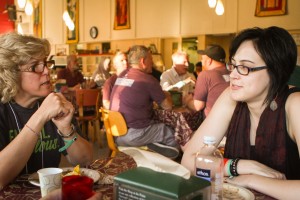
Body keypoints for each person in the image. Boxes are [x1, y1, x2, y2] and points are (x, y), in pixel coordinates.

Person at [181, 26, 300, 199]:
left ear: (275, 70)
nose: (233, 75)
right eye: (234, 65)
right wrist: (240, 166)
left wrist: (251, 180)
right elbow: (189, 161)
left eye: (245, 67)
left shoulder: (295, 104)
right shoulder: (231, 97)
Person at [0, 33, 93, 189]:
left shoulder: (53, 103)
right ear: (11, 74)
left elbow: (85, 160)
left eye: (46, 63)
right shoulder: (3, 110)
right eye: (35, 66)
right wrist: (40, 116)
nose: (46, 71)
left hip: (50, 193)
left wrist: (66, 129)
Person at [110, 45, 179, 159]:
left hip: (117, 134)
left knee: (154, 129)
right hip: (135, 135)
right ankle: (165, 164)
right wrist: (166, 94)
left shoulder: (122, 75)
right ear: (143, 61)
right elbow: (168, 107)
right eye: (151, 59)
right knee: (172, 134)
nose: (153, 62)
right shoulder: (147, 80)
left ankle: (150, 147)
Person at [183, 44, 230, 118]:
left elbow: (198, 106)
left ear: (209, 61)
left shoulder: (205, 74)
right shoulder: (232, 73)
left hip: (214, 124)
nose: (201, 61)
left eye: (202, 59)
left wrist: (186, 101)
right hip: (233, 122)